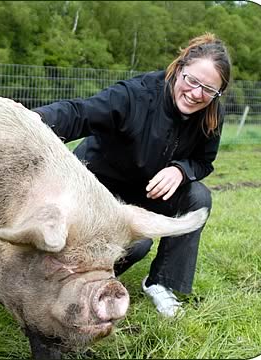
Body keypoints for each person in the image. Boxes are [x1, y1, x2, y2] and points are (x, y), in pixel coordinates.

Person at [31, 33, 231, 318]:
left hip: (145, 194)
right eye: (192, 81)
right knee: (137, 246)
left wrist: (180, 169)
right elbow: (81, 113)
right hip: (98, 186)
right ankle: (67, 278)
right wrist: (32, 119)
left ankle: (160, 283)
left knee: (198, 196)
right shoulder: (136, 95)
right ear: (179, 68)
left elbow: (203, 161)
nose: (197, 93)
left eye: (210, 90)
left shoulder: (211, 113)